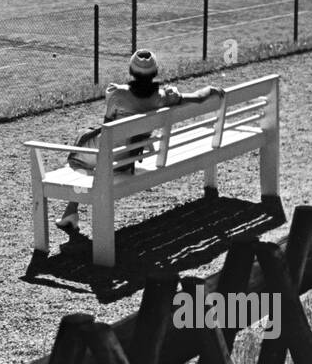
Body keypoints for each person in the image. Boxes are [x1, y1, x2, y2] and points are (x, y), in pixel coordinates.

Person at [56, 50, 224, 235]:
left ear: (130, 70)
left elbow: (107, 127)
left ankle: (72, 210)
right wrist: (212, 89)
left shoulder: (116, 93)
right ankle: (70, 213)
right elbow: (199, 98)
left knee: (77, 156)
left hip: (108, 157)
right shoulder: (163, 97)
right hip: (127, 160)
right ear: (155, 72)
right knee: (90, 142)